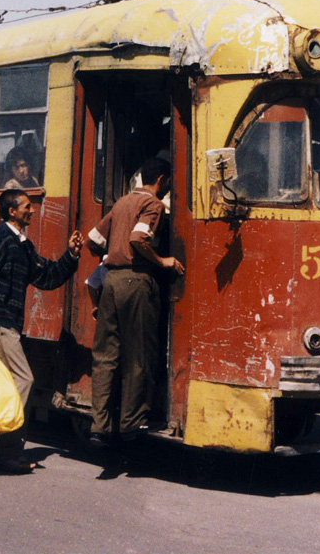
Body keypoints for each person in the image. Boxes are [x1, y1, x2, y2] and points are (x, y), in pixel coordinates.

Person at [0, 188, 83, 474]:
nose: (32, 210)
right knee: (23, 380)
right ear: (12, 211)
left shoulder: (23, 246)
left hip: (9, 323)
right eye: (26, 206)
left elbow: (47, 276)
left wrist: (71, 255)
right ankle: (9, 452)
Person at [86, 157, 183, 446]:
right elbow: (138, 238)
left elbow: (92, 240)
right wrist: (163, 260)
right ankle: (130, 423)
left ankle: (99, 426)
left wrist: (110, 258)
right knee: (139, 355)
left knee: (105, 356)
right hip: (137, 280)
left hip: (111, 282)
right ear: (163, 180)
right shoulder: (153, 205)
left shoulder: (121, 203)